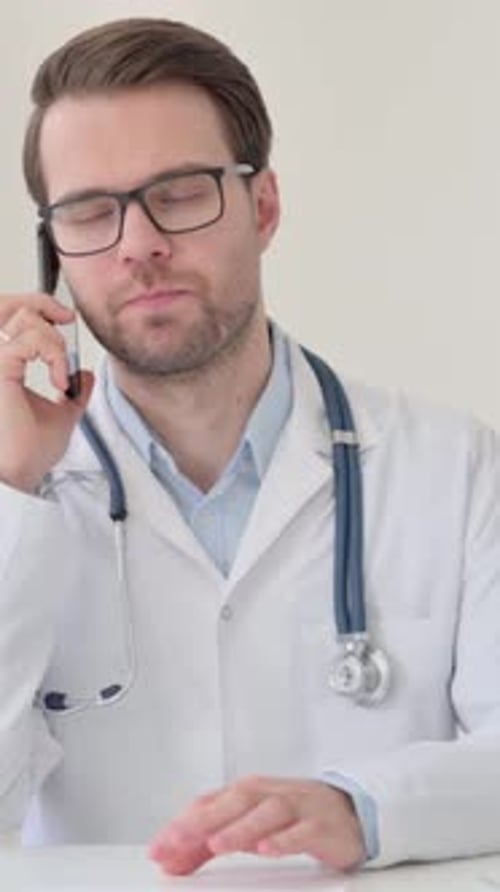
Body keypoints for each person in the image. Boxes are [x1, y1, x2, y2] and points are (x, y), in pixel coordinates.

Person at [0, 16, 499, 879]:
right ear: (55, 250)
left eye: (182, 192)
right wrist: (10, 492)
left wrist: (362, 807)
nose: (138, 244)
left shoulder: (451, 468)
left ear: (262, 206)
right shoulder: (23, 491)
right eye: (90, 212)